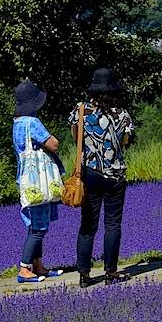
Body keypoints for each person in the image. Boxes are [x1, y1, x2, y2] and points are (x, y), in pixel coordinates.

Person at [69, 68, 136, 288]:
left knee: (88, 223)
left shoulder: (81, 110)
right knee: (112, 224)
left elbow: (74, 135)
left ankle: (84, 274)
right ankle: (111, 271)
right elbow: (126, 140)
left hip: (88, 172)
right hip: (114, 174)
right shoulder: (123, 114)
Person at [13, 80, 64, 283]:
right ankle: (25, 269)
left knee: (35, 223)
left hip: (26, 177)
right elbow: (53, 144)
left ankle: (38, 265)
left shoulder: (17, 123)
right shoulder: (32, 123)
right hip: (38, 180)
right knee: (39, 228)